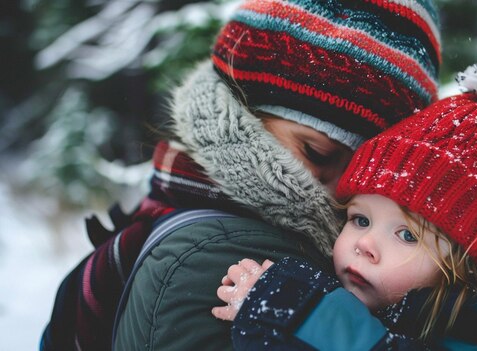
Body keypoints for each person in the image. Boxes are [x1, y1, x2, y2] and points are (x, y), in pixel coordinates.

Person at [40, 0, 442, 350]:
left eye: (361, 170)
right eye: (315, 152)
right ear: (243, 114)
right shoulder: (230, 263)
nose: (340, 190)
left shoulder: (183, 203)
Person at [212, 63, 477, 350]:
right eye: (360, 219)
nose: (364, 245)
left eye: (407, 235)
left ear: (468, 272)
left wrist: (304, 315)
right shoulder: (402, 310)